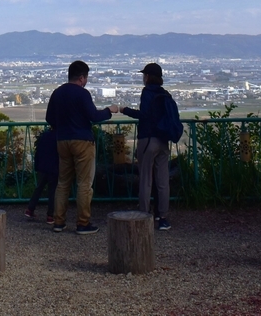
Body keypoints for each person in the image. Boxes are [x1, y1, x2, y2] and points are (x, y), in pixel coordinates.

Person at [45, 60, 117, 235]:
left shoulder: (58, 92)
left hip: (62, 140)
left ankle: (59, 221)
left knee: (63, 183)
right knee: (84, 183)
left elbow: (49, 118)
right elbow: (94, 116)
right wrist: (109, 110)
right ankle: (83, 223)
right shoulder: (82, 94)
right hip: (82, 141)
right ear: (82, 77)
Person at [120, 62, 178, 231]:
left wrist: (125, 110)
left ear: (147, 77)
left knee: (146, 179)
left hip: (148, 139)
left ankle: (144, 215)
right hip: (163, 141)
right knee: (162, 180)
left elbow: (143, 115)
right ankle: (163, 217)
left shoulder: (147, 93)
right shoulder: (165, 94)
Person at [24, 126, 58, 223]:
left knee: (39, 188)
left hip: (42, 167)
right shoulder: (60, 137)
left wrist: (37, 165)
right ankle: (50, 215)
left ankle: (30, 209)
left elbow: (38, 152)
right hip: (54, 168)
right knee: (52, 192)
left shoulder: (45, 136)